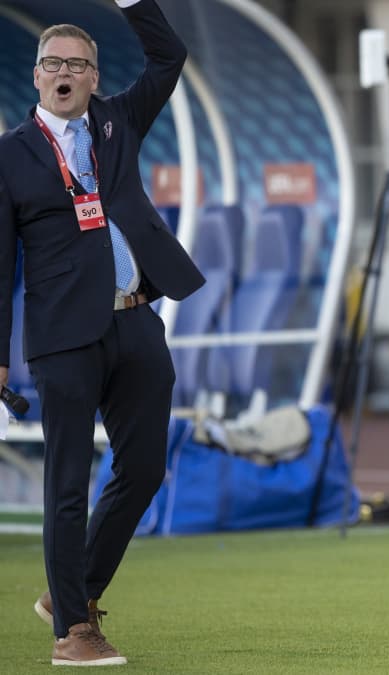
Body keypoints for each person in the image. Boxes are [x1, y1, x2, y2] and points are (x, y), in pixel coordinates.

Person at [0, 0, 204, 665]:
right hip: (62, 335)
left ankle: (71, 589)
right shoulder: (11, 155)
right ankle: (74, 629)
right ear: (36, 77)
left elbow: (169, 58)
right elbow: (0, 265)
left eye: (77, 64)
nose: (63, 72)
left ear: (93, 77)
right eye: (52, 62)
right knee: (67, 483)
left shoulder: (117, 120)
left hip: (137, 315)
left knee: (145, 466)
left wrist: (133, 5)